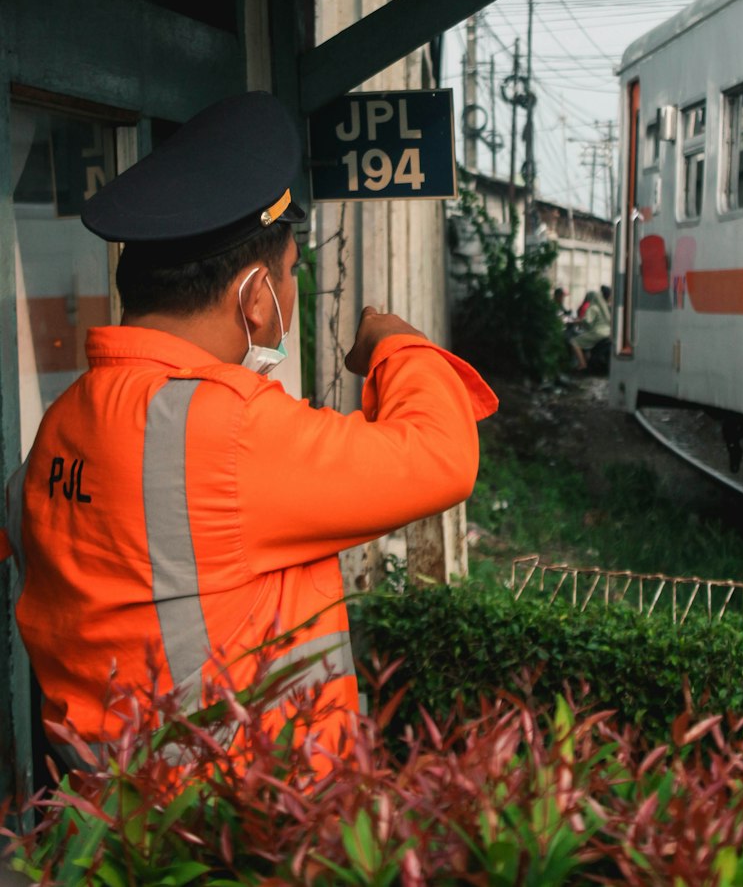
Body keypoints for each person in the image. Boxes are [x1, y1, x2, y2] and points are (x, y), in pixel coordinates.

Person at [0, 92, 497, 766]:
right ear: (256, 299)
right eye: (292, 274)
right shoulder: (224, 430)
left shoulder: (64, 422)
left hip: (109, 823)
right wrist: (395, 344)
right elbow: (442, 457)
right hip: (238, 832)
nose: (292, 291)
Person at [569, 285, 612, 372]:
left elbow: (587, 322)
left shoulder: (593, 307)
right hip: (607, 333)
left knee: (574, 342)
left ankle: (582, 364)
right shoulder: (603, 308)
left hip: (598, 333)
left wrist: (574, 321)